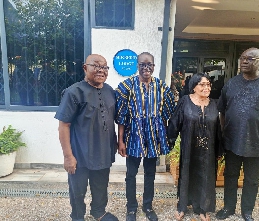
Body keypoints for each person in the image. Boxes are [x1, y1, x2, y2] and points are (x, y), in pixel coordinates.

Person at [216, 47, 259, 221]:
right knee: (230, 176)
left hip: (258, 142)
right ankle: (228, 208)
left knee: (252, 180)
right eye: (242, 58)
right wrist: (223, 134)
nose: (244, 61)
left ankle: (247, 211)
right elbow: (222, 111)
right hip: (232, 141)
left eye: (249, 58)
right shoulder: (231, 83)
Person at [54, 54, 119, 221]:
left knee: (101, 186)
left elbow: (116, 120)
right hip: (80, 154)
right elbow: (64, 125)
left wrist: (120, 142)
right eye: (96, 66)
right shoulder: (73, 92)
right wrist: (68, 156)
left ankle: (98, 211)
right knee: (78, 190)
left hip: (104, 151)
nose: (100, 70)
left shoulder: (110, 91)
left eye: (104, 67)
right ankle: (77, 216)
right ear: (85, 68)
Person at [115, 52, 175, 221]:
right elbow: (122, 117)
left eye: (149, 65)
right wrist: (120, 140)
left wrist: (165, 137)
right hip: (133, 136)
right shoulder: (127, 86)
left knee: (150, 173)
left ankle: (148, 206)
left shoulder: (162, 87)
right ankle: (131, 208)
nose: (146, 68)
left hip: (153, 137)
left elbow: (168, 115)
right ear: (137, 66)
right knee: (131, 174)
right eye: (142, 65)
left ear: (154, 67)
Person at [167, 73, 223, 221]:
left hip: (208, 151)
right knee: (186, 175)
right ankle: (182, 206)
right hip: (189, 148)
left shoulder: (214, 104)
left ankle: (203, 208)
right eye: (202, 84)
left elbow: (218, 130)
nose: (206, 87)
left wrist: (219, 150)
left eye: (208, 84)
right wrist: (169, 141)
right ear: (193, 87)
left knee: (206, 177)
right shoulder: (185, 102)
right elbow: (175, 122)